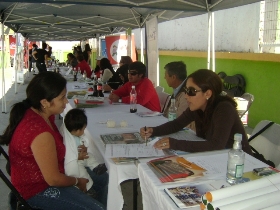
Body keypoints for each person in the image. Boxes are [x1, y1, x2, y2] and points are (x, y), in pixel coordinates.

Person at [0, 72, 105, 210]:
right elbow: (53, 179)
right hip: (36, 190)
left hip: (50, 176)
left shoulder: (41, 115)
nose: (66, 101)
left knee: (103, 179)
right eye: (62, 98)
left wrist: (75, 156)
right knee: (96, 208)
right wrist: (77, 181)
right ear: (44, 102)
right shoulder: (40, 131)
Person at [140, 69, 253, 155]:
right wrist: (153, 131)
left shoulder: (224, 109)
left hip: (238, 161)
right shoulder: (198, 106)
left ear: (207, 94)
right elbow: (177, 124)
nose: (186, 96)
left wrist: (174, 143)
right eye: (186, 90)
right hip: (215, 156)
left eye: (191, 91)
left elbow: (216, 145)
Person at [62, 108, 108, 207]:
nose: (83, 132)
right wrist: (78, 157)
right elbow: (68, 156)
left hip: (82, 157)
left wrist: (84, 148)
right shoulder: (67, 139)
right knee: (82, 174)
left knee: (90, 156)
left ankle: (96, 167)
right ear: (76, 130)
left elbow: (83, 140)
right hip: (76, 162)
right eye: (82, 129)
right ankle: (88, 189)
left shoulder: (75, 134)